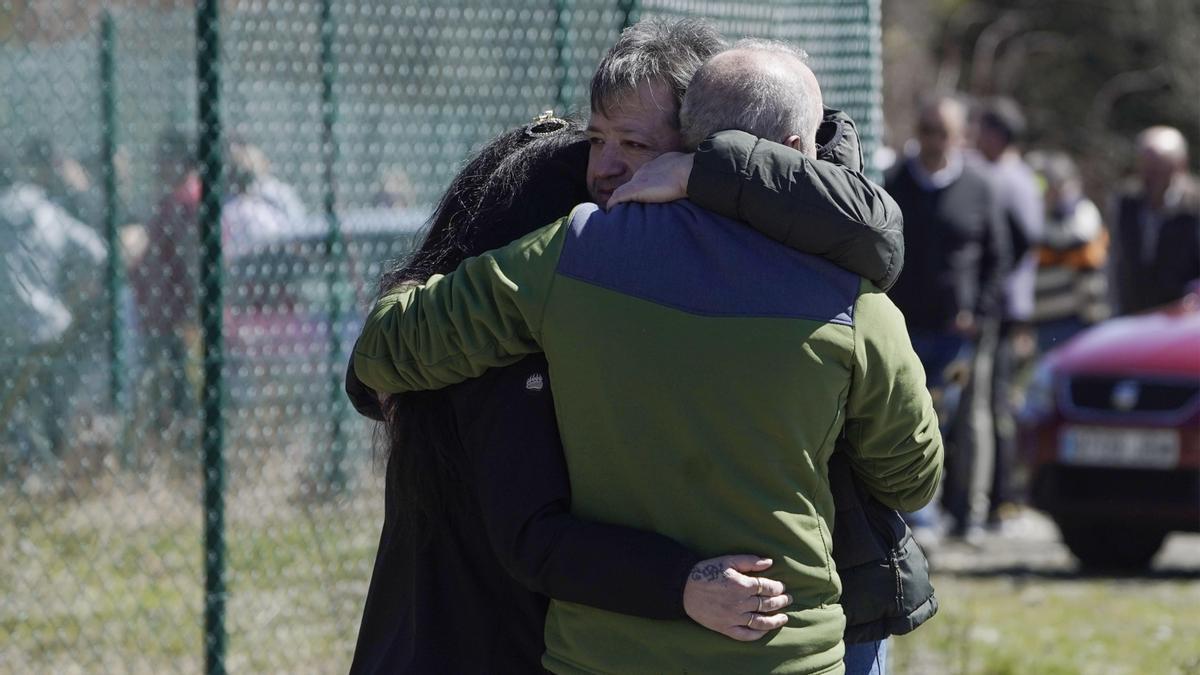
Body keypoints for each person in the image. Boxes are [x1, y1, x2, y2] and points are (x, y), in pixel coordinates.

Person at [351, 40, 942, 674]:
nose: (604, 166)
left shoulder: (566, 257)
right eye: (595, 140)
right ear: (797, 158)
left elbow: (386, 353)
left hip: (603, 655)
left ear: (691, 142)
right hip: (789, 653)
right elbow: (912, 479)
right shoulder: (855, 299)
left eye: (634, 145)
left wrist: (443, 268)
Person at [884, 95, 1012, 542]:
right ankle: (920, 513)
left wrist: (979, 312)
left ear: (959, 136)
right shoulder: (897, 182)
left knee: (962, 417)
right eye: (927, 130)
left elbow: (999, 257)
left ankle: (969, 511)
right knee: (909, 418)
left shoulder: (979, 187)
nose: (934, 141)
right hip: (904, 329)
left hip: (958, 335)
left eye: (943, 131)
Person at [0, 150, 106, 475]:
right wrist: (74, 293)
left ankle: (30, 466)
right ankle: (55, 466)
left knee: (17, 406)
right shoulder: (50, 212)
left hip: (7, 332)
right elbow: (97, 251)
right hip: (53, 325)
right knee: (54, 399)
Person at [970, 97, 1043, 527]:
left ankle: (1001, 497)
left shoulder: (1005, 179)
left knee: (995, 403)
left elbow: (1022, 239)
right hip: (1012, 305)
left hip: (1004, 308)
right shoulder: (1020, 178)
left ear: (997, 135)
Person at [127, 129, 202, 444]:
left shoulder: (186, 203)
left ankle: (185, 445)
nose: (157, 168)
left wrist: (193, 315)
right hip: (162, 313)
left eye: (163, 161)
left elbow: (193, 265)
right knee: (169, 388)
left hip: (180, 317)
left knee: (182, 389)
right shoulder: (172, 201)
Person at [1109, 125, 1200, 315]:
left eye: (1160, 169)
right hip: (1135, 314)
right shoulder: (1126, 202)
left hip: (1183, 317)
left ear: (1180, 165)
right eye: (1146, 168)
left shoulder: (1194, 203)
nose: (1151, 177)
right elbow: (1116, 261)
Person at [1026, 151, 1110, 352]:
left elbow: (1067, 239)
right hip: (1046, 319)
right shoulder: (1043, 217)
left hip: (1079, 319)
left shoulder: (1082, 213)